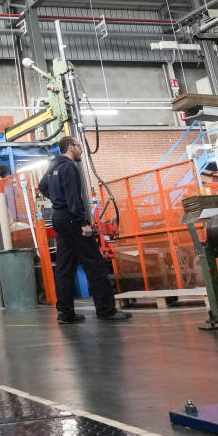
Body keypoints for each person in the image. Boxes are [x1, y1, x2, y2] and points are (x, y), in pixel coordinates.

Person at [38, 136, 131, 324]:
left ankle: (65, 313)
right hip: (73, 220)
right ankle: (106, 310)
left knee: (64, 268)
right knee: (95, 264)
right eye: (79, 146)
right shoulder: (70, 167)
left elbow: (42, 187)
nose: (81, 150)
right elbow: (74, 198)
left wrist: (57, 199)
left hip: (59, 219)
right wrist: (83, 224)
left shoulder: (54, 166)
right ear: (71, 147)